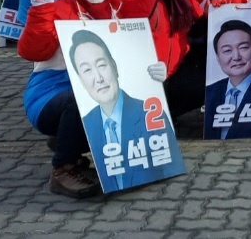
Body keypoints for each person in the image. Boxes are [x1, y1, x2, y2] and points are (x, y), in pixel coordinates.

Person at [18, 0, 132, 199]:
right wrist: (40, 13)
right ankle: (62, 168)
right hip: (51, 93)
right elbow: (31, 51)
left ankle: (69, 141)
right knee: (81, 98)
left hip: (98, 89)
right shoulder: (57, 8)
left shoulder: (116, 13)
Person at [70, 29, 184, 190]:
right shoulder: (87, 122)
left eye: (102, 65)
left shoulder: (151, 113)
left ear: (114, 67)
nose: (98, 78)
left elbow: (171, 166)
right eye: (87, 70)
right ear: (80, 80)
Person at [113, 0, 210, 119]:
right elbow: (135, 21)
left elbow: (196, 26)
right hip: (144, 74)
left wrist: (211, 14)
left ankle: (165, 114)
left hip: (174, 71)